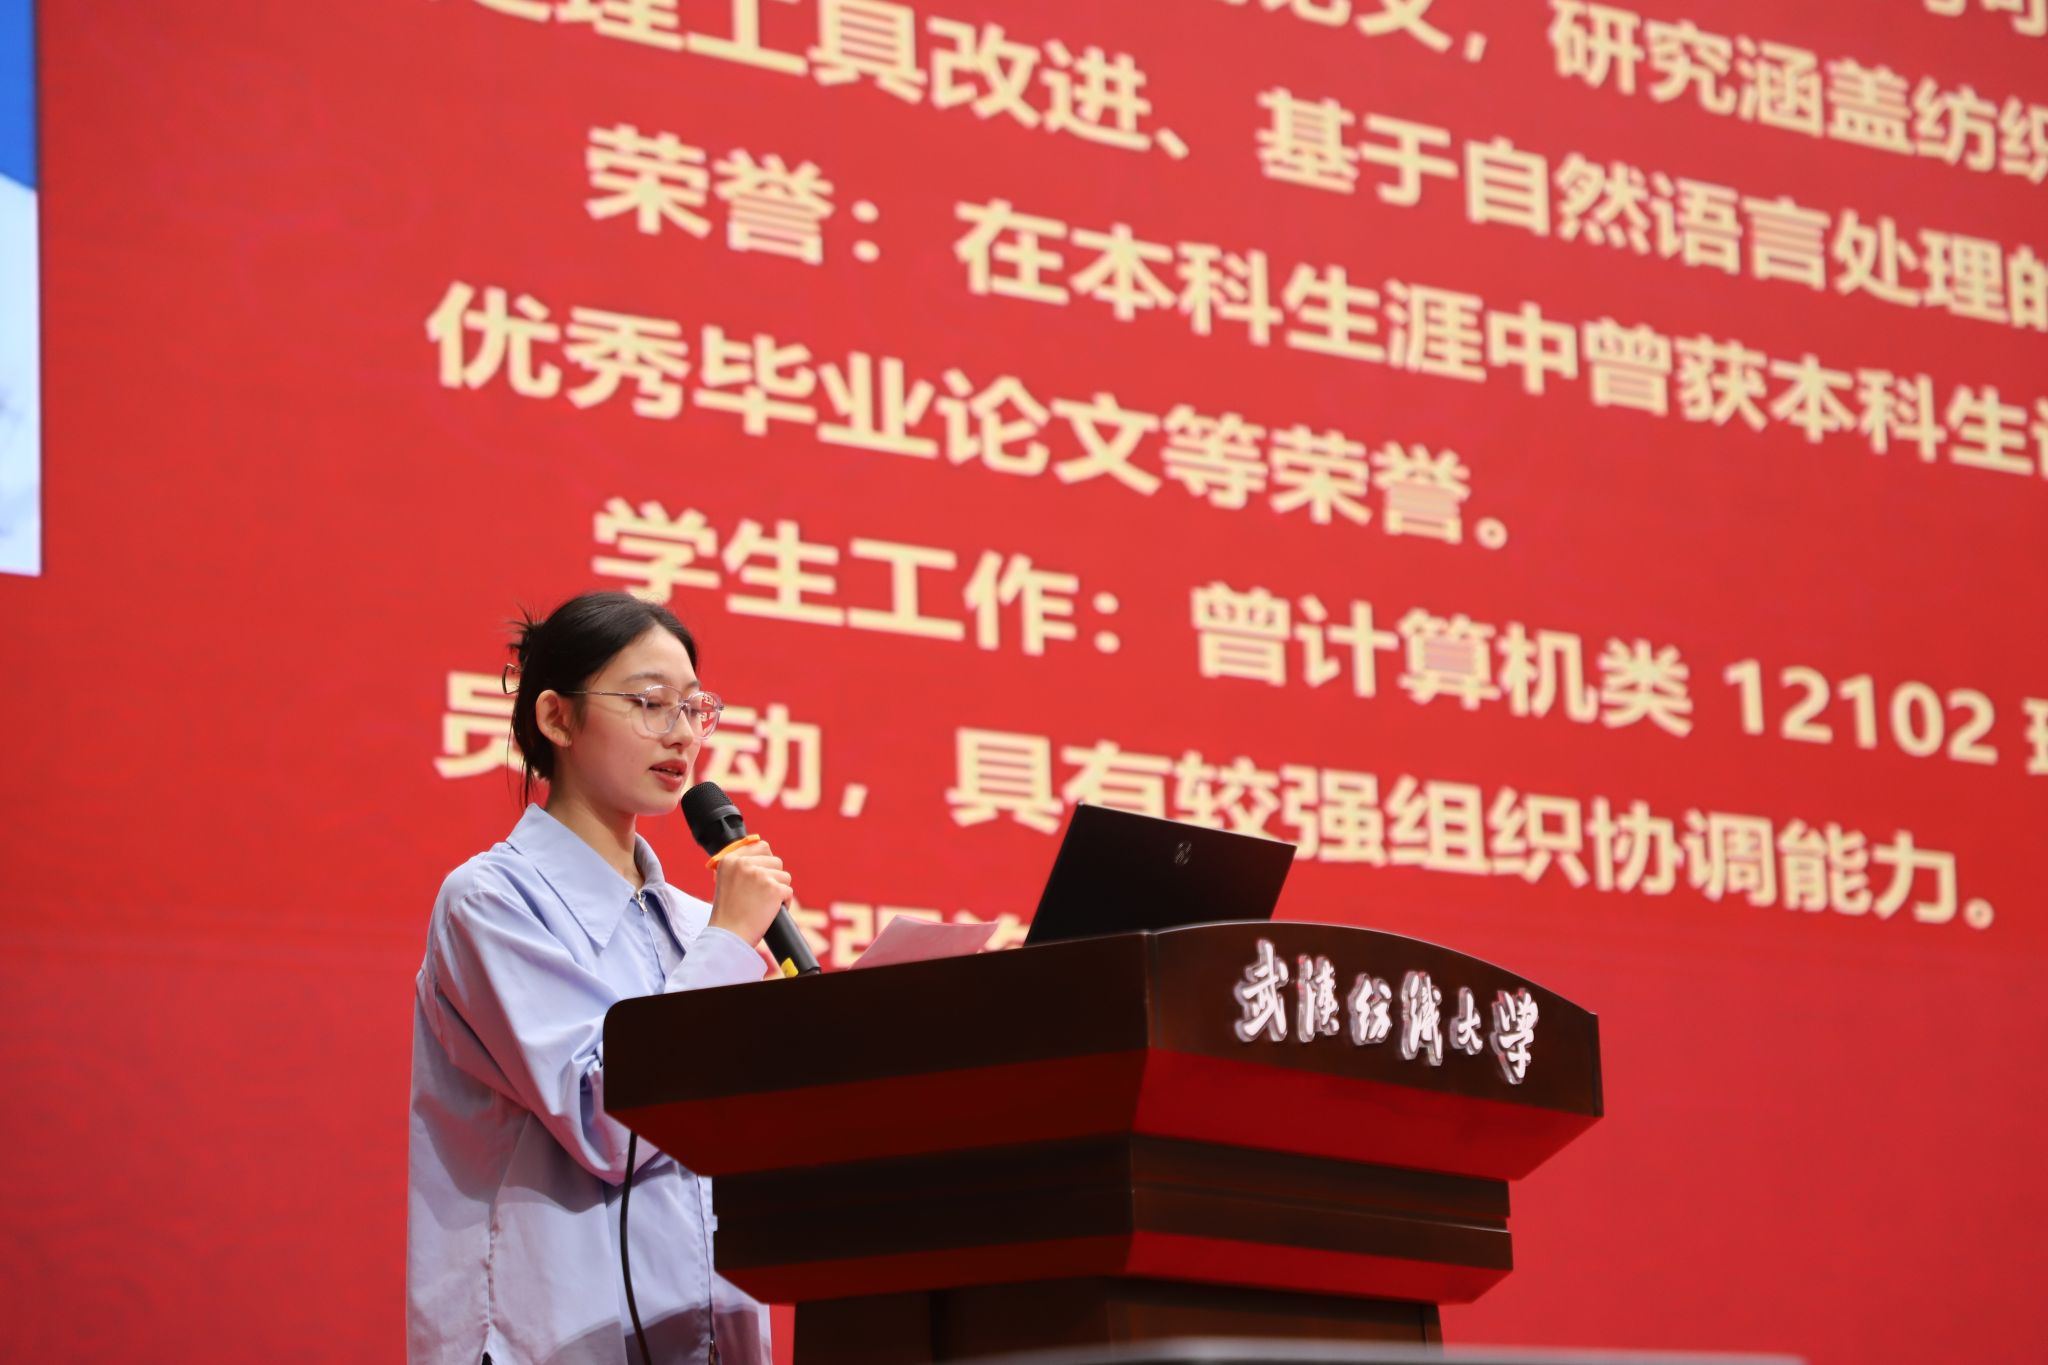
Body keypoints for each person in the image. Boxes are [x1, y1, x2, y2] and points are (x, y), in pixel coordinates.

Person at [408, 591, 790, 1365]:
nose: (682, 733)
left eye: (694, 708)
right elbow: (606, 1121)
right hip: (552, 1343)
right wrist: (727, 943)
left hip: (709, 1338)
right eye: (650, 703)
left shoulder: (696, 923)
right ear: (557, 718)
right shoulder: (492, 900)